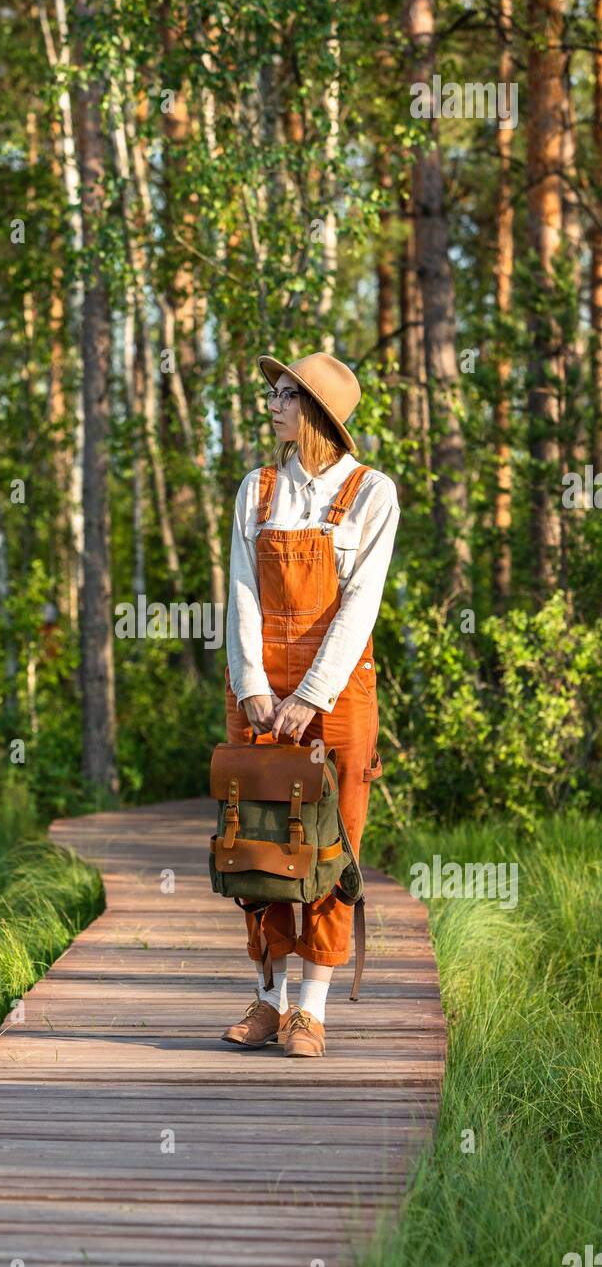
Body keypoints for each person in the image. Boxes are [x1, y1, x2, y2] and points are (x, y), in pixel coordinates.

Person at [220, 351, 400, 1058]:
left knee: (332, 847)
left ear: (318, 412)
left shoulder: (371, 492)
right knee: (256, 846)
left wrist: (309, 696)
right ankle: (269, 1002)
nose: (273, 401)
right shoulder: (257, 490)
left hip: (338, 695)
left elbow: (360, 606)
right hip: (261, 693)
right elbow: (239, 591)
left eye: (288, 394)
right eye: (276, 390)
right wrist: (255, 686)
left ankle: (312, 1012)